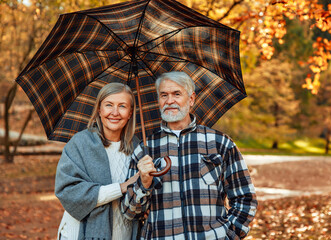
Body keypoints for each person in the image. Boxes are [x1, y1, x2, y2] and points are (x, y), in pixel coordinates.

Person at [121, 71, 258, 239]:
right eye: (164, 95)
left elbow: (245, 197)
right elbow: (129, 212)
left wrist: (229, 235)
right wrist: (143, 183)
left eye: (176, 94)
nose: (169, 101)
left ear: (191, 99)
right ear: (158, 101)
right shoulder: (144, 150)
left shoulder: (219, 142)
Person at [55, 82, 140, 240]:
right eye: (109, 105)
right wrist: (121, 187)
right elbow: (67, 192)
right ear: (99, 110)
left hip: (124, 233)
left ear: (130, 113)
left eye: (122, 106)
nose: (114, 112)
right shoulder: (80, 144)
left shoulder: (138, 149)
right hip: (79, 233)